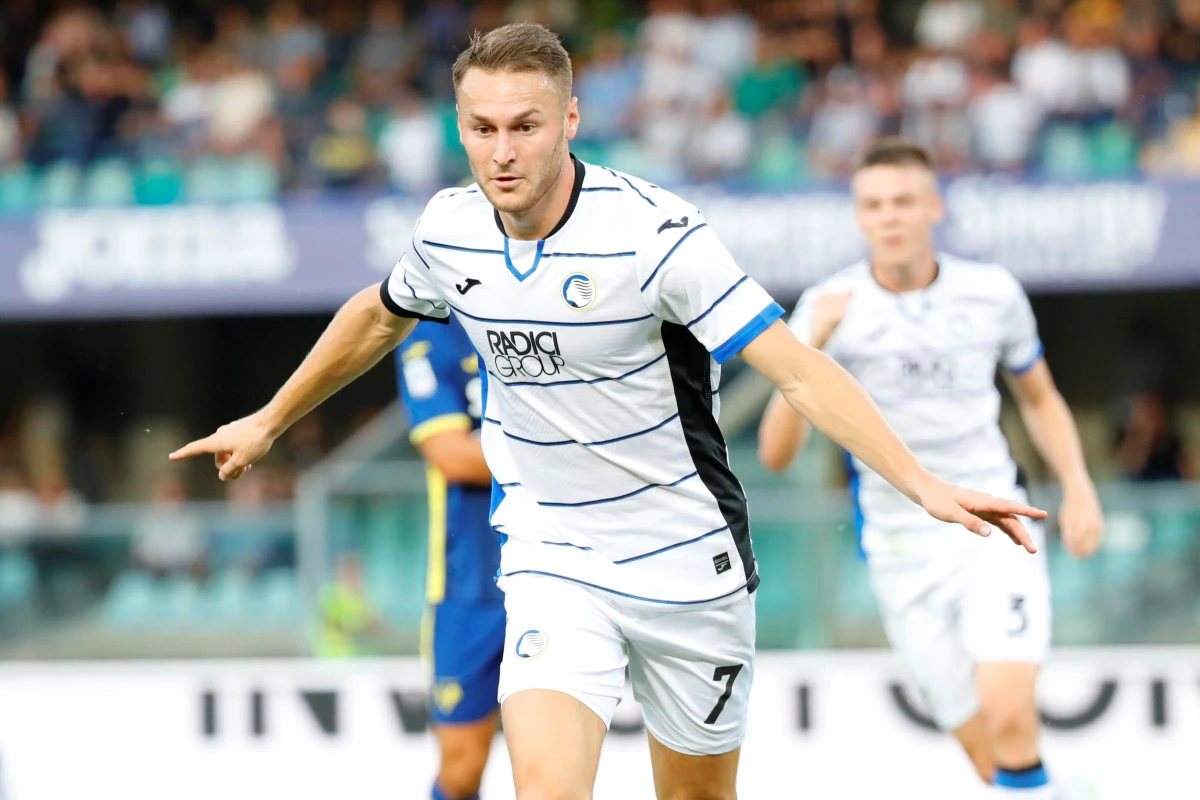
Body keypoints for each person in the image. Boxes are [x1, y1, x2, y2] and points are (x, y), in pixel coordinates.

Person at [170, 25, 1044, 800]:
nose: (502, 151)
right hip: (554, 555)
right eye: (481, 128)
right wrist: (272, 418)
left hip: (687, 564)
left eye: (526, 125)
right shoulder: (450, 229)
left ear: (571, 120)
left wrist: (923, 483)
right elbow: (379, 311)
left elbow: (799, 371)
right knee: (546, 788)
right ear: (459, 126)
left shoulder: (657, 236)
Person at [758, 137, 1103, 799]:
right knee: (988, 760)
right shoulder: (828, 306)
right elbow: (776, 454)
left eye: (903, 202)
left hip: (995, 525)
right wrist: (811, 345)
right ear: (858, 216)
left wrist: (1079, 486)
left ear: (933, 207)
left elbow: (1040, 397)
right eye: (874, 205)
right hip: (898, 547)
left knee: (1008, 715)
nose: (889, 217)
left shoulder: (991, 291)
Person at [396, 317, 503, 800]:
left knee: (551, 769)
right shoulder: (428, 336)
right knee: (461, 771)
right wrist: (560, 452)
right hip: (469, 586)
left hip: (559, 577)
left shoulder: (547, 311)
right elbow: (453, 456)